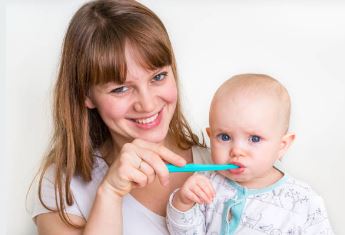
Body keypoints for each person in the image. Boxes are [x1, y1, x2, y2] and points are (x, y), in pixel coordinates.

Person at [31, 0, 211, 234]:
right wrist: (110, 192)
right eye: (120, 89)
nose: (147, 104)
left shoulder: (220, 166)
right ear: (86, 94)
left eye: (158, 77)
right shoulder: (63, 188)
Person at [166, 74, 334, 234]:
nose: (237, 151)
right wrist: (183, 203)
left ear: (282, 146)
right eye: (224, 137)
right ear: (211, 137)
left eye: (254, 139)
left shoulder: (303, 201)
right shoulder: (205, 183)